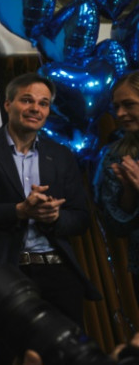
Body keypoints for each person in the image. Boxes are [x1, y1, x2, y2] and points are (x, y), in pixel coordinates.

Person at [0, 72, 101, 364]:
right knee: (16, 358)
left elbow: (81, 218)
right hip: (8, 274)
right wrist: (19, 211)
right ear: (8, 104)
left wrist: (54, 217)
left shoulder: (60, 155)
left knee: (72, 358)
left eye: (44, 103)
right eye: (27, 100)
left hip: (59, 273)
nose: (36, 108)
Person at [94, 70, 139, 301]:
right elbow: (115, 226)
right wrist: (129, 193)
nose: (120, 114)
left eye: (129, 104)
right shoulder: (116, 155)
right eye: (116, 106)